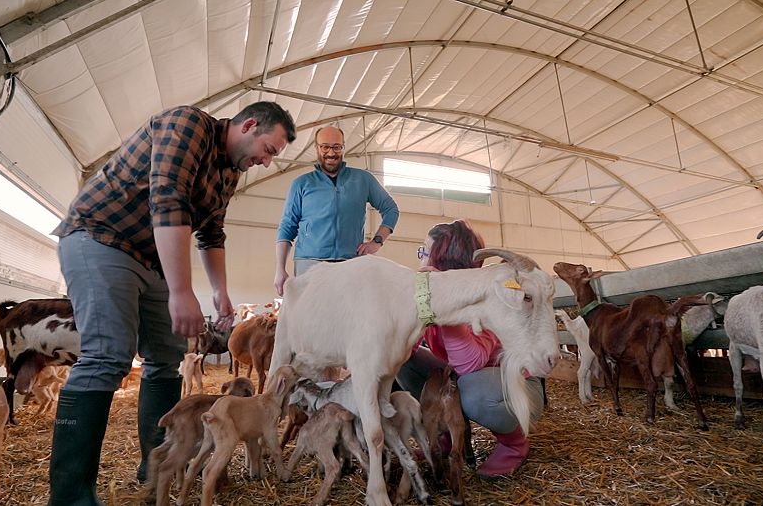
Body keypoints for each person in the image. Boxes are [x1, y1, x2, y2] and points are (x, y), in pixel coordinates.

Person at [47, 102, 297, 505]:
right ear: (249, 125)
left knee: (166, 357)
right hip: (101, 237)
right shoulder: (187, 125)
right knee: (107, 356)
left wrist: (219, 292)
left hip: (152, 258)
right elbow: (168, 198)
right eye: (268, 149)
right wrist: (182, 292)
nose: (266, 162)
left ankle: (158, 469)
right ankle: (71, 496)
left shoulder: (230, 171)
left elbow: (211, 232)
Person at [395, 219, 545, 479]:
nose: (420, 261)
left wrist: (448, 306)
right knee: (404, 360)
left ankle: (514, 443)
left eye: (424, 252)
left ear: (442, 261)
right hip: (467, 376)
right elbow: (406, 345)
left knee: (473, 388)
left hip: (516, 390)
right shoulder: (427, 293)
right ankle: (443, 433)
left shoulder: (489, 296)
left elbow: (470, 365)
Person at [273, 125, 399, 295]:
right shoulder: (301, 184)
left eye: (336, 147)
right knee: (312, 317)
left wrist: (376, 242)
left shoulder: (363, 179)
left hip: (350, 263)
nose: (331, 153)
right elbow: (287, 227)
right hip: (309, 263)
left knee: (348, 317)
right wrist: (279, 269)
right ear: (316, 148)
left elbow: (390, 209)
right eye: (325, 146)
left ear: (343, 148)